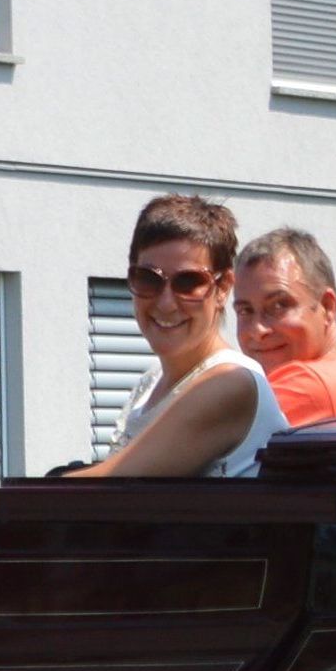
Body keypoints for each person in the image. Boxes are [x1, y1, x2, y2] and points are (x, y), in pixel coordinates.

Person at [70, 195, 287, 479]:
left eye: (189, 282)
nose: (166, 303)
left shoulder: (230, 382)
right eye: (148, 279)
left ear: (222, 288)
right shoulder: (151, 382)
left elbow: (103, 488)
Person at [233, 226, 336, 426]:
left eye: (278, 306)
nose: (257, 330)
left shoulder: (310, 386)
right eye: (245, 310)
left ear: (328, 307)